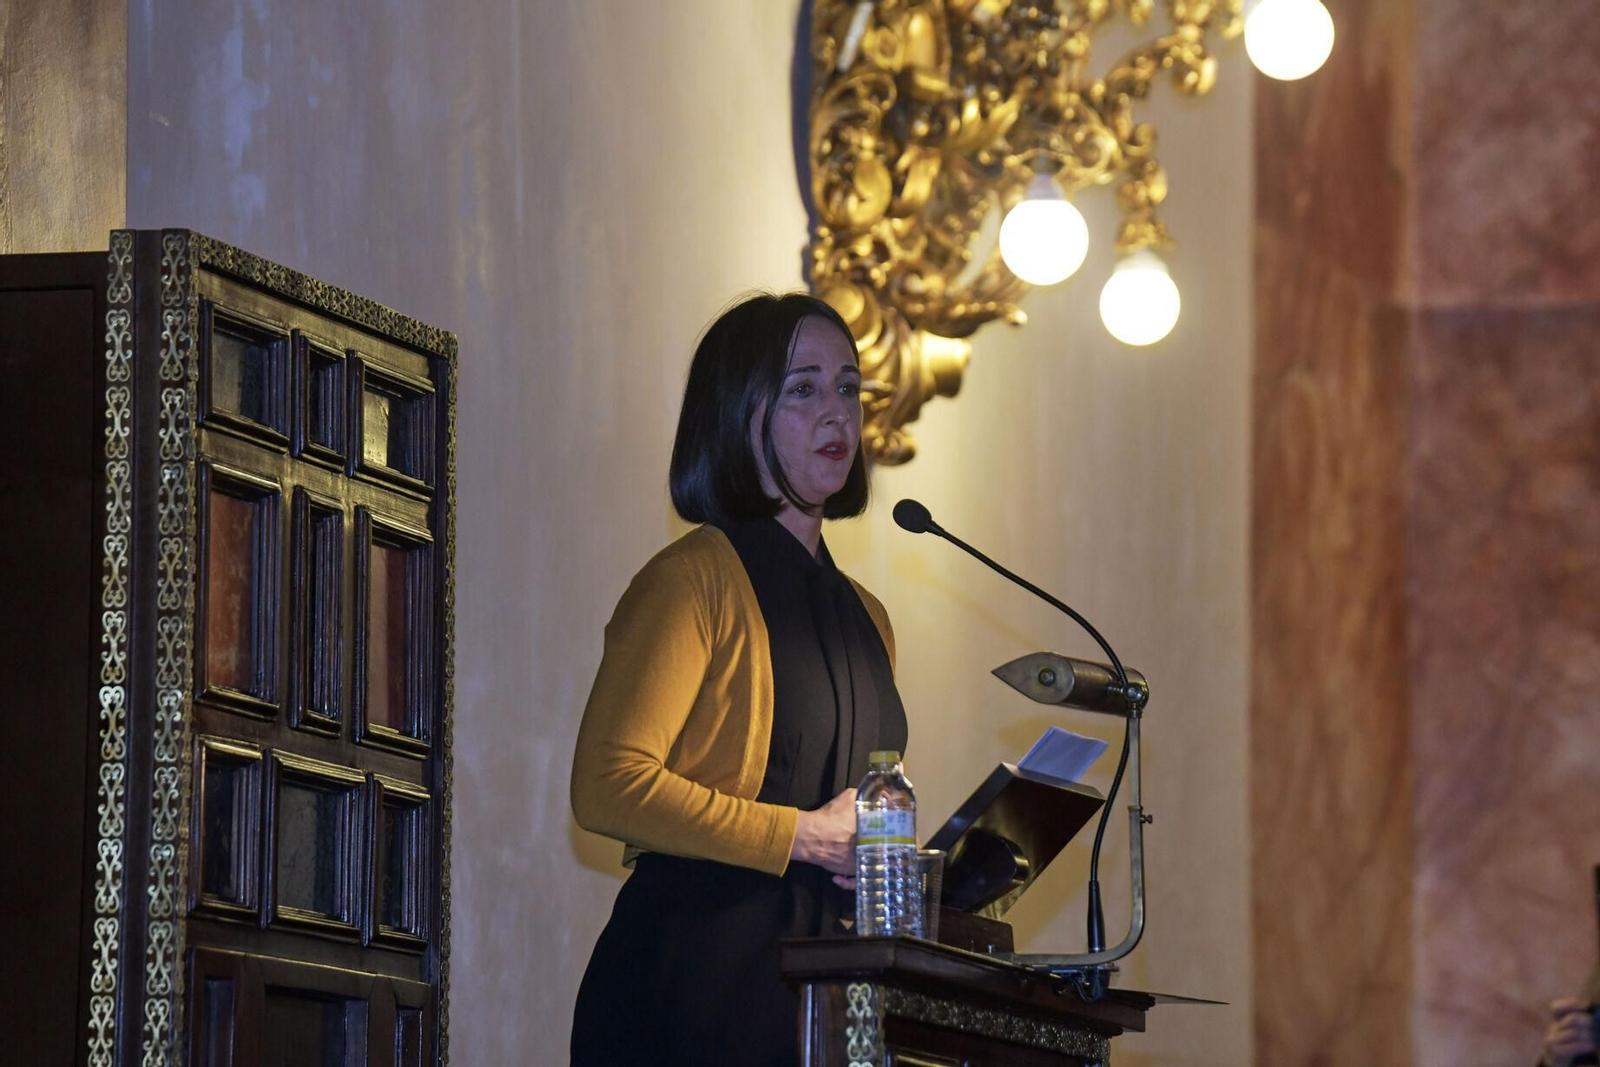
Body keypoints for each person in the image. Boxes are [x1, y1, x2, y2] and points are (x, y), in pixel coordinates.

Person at [569, 292, 908, 1065]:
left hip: (835, 996)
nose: (839, 413)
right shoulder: (692, 580)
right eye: (804, 387)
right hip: (698, 981)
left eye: (851, 387)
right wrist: (801, 834)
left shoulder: (870, 618)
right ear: (738, 412)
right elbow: (605, 785)